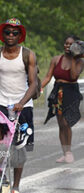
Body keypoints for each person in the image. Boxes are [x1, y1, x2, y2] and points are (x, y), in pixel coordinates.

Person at [0, 18, 37, 193]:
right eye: (8, 32)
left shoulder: (28, 55)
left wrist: (22, 101)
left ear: (20, 36)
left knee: (19, 147)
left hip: (24, 106)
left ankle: (16, 187)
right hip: (2, 104)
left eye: (15, 33)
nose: (11, 36)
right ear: (2, 34)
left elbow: (33, 83)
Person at [41, 35, 84, 163]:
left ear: (76, 46)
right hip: (58, 91)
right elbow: (48, 76)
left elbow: (73, 76)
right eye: (66, 43)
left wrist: (75, 58)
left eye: (70, 44)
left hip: (71, 92)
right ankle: (64, 153)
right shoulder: (56, 59)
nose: (67, 46)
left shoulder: (80, 62)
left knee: (66, 122)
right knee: (60, 123)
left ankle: (69, 151)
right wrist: (39, 88)